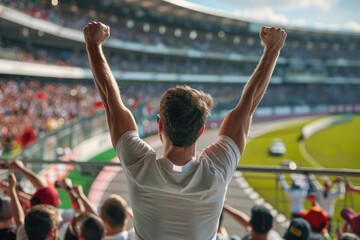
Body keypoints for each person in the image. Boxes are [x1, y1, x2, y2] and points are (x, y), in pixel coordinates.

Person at [84, 21, 286, 239]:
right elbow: (247, 107)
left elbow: (110, 99)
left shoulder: (138, 166)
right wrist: (272, 49)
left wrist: (93, 46)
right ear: (201, 131)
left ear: (160, 126)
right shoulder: (216, 172)